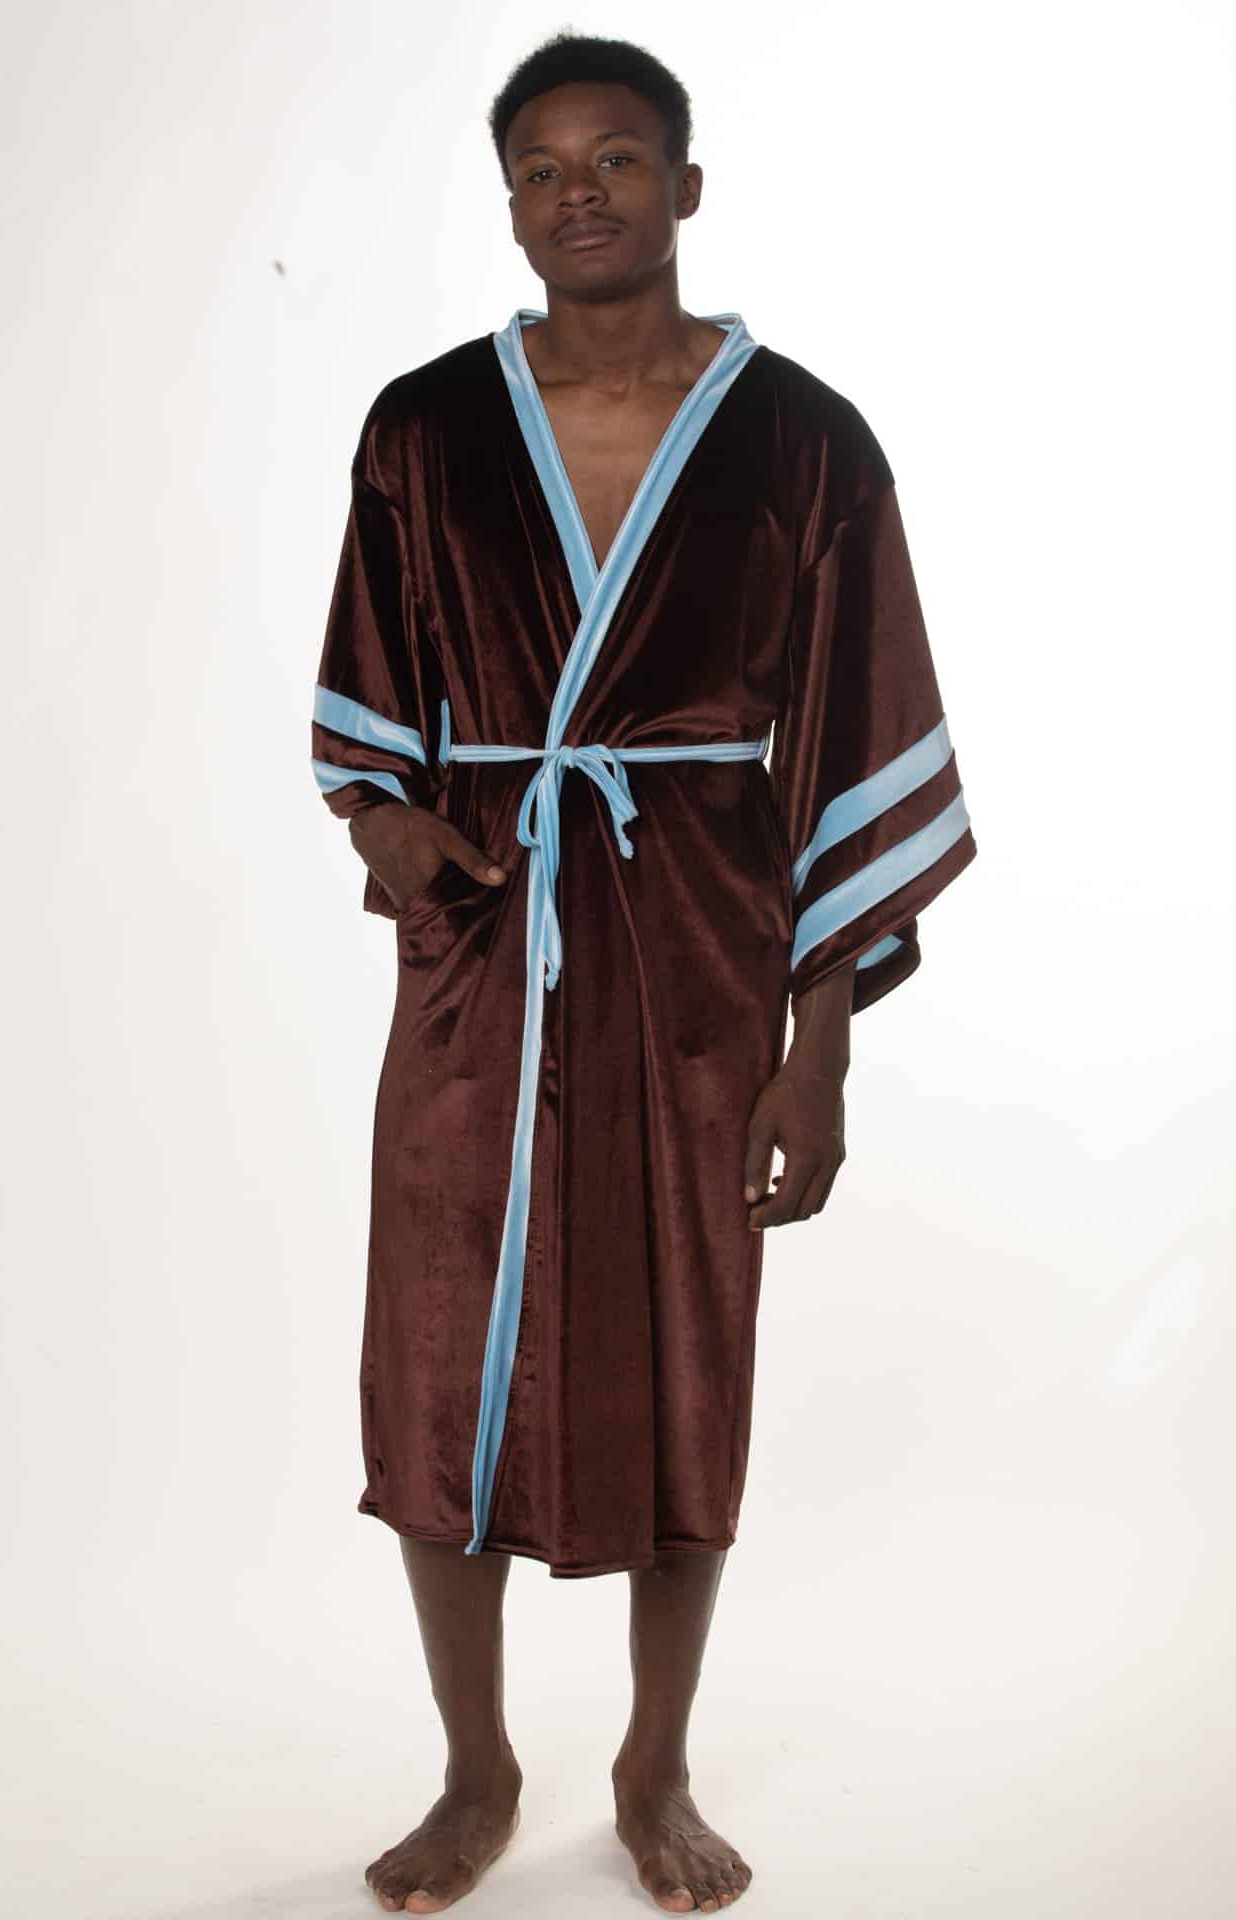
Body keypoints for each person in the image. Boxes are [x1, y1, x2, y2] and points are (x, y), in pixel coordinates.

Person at [310, 29, 976, 1917]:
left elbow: (851, 735)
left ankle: (654, 1764)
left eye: (614, 157)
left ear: (685, 186)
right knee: (440, 1347)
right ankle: (477, 1770)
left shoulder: (805, 441)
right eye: (540, 167)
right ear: (509, 206)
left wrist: (817, 1048)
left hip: (701, 951)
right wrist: (391, 832)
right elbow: (366, 709)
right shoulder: (424, 429)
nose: (577, 191)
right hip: (484, 941)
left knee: (692, 1350)